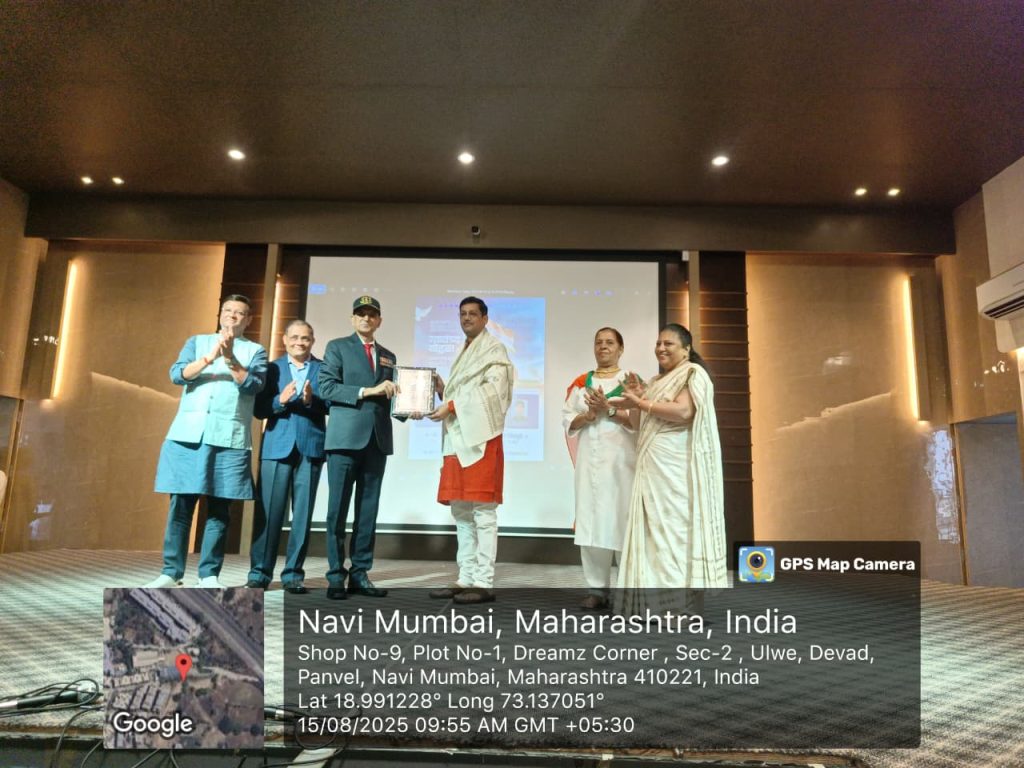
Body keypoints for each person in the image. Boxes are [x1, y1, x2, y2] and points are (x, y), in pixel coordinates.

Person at [146, 295, 268, 588]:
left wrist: (230, 358)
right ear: (220, 314)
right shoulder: (197, 342)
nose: (233, 316)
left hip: (228, 438)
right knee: (180, 506)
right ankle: (171, 572)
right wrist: (210, 358)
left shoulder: (255, 350)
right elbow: (177, 374)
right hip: (188, 435)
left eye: (240, 313)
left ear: (248, 320)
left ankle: (209, 574)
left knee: (219, 509)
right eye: (228, 311)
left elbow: (254, 385)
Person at [617, 323, 728, 609]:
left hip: (674, 469)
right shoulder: (656, 381)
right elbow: (637, 424)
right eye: (658, 343)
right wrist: (634, 402)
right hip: (651, 467)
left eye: (668, 344)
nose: (661, 348)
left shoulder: (692, 373)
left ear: (686, 349)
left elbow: (684, 411)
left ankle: (679, 607)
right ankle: (652, 605)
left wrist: (642, 403)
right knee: (653, 535)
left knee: (673, 534)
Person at [426, 297, 514, 604]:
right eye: (462, 314)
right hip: (457, 438)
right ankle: (465, 577)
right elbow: (466, 392)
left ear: (485, 318)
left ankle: (483, 581)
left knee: (483, 513)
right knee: (461, 511)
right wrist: (442, 390)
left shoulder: (495, 350)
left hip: (481, 440)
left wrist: (450, 405)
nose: (466, 318)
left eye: (473, 314)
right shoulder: (464, 350)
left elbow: (493, 393)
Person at [318, 296, 399, 599]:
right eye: (361, 314)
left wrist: (411, 408)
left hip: (376, 441)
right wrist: (367, 390)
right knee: (336, 511)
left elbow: (392, 397)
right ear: (353, 319)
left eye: (372, 314)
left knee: (368, 512)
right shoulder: (337, 347)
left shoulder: (389, 356)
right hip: (344, 441)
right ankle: (335, 575)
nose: (366, 318)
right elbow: (326, 387)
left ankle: (360, 573)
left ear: (379, 321)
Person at [245, 320, 326, 594]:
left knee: (302, 516)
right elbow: (259, 409)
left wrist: (310, 400)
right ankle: (259, 573)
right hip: (276, 448)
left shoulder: (323, 368)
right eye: (294, 337)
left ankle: (293, 575)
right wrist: (280, 400)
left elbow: (331, 404)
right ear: (284, 339)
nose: (299, 343)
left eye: (305, 338)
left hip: (311, 447)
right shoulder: (272, 368)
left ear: (312, 340)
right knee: (269, 513)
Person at [562, 327, 637, 610]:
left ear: (620, 348)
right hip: (589, 465)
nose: (603, 347)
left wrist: (610, 411)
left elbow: (641, 420)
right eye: (599, 342)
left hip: (622, 463)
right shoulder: (582, 383)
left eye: (609, 342)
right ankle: (597, 588)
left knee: (622, 521)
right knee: (591, 521)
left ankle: (629, 588)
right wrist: (589, 415)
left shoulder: (632, 382)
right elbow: (567, 420)